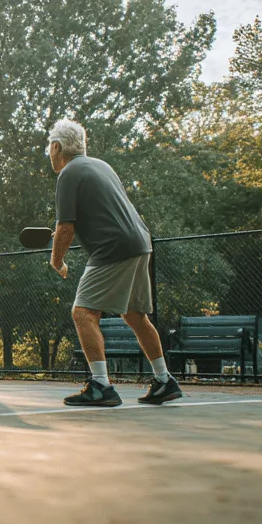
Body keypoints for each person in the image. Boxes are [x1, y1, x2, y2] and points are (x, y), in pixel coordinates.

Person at [46, 119, 182, 407]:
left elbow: (66, 228)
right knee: (135, 315)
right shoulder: (101, 165)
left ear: (56, 147)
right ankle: (164, 380)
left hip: (114, 249)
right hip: (140, 243)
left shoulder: (68, 173)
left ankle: (101, 385)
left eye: (50, 147)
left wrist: (57, 260)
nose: (49, 153)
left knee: (83, 313)